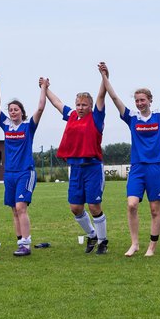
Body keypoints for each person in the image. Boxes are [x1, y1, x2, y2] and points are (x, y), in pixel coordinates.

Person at [102, 62, 160, 257]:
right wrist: (105, 76)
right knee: (132, 204)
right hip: (137, 168)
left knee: (154, 210)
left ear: (150, 100)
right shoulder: (131, 117)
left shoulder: (159, 116)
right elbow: (114, 97)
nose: (140, 103)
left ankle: (152, 246)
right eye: (137, 100)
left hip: (155, 168)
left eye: (143, 100)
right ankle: (134, 244)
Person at [45, 70, 110, 254]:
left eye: (84, 105)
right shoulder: (72, 116)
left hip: (92, 167)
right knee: (75, 207)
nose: (80, 107)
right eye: (78, 104)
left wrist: (104, 77)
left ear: (91, 106)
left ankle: (103, 242)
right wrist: (46, 88)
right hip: (75, 168)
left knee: (94, 206)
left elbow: (101, 95)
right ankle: (92, 235)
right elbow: (57, 104)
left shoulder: (96, 117)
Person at [0, 74, 48, 256]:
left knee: (21, 207)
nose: (13, 112)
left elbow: (40, 107)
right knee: (14, 210)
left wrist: (44, 87)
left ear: (22, 112)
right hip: (10, 173)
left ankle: (26, 244)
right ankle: (20, 240)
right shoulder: (6, 125)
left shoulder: (28, 126)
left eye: (16, 109)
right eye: (10, 110)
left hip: (25, 172)